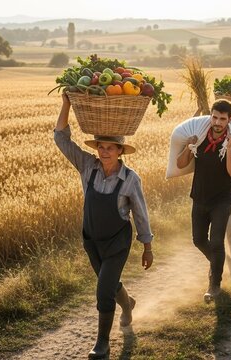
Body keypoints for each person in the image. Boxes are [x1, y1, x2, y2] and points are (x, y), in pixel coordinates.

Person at [54, 93, 154, 359]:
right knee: (108, 283)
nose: (104, 151)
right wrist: (66, 104)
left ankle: (102, 344)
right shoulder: (88, 166)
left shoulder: (131, 179)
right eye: (101, 146)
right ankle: (128, 304)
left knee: (103, 289)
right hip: (91, 240)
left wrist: (147, 247)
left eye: (111, 147)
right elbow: (61, 139)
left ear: (120, 150)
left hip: (117, 242)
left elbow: (141, 214)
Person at [176, 99, 231, 303]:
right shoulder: (201, 137)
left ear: (229, 120)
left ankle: (214, 285)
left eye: (222, 119)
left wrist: (229, 148)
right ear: (211, 116)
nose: (217, 122)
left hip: (221, 200)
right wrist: (189, 146)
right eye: (215, 117)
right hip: (199, 197)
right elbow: (180, 164)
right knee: (198, 240)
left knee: (216, 242)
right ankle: (216, 263)